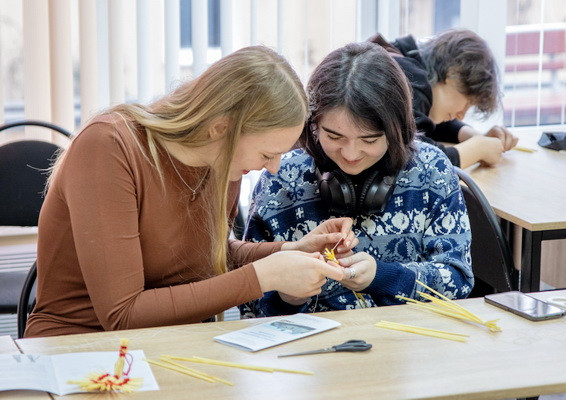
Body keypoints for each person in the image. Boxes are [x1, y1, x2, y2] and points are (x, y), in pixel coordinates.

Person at [25, 46, 359, 338]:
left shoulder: (222, 161)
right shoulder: (109, 147)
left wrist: (290, 250)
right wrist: (262, 277)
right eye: (266, 154)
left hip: (173, 344)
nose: (272, 168)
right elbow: (123, 315)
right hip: (77, 349)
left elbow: (203, 259)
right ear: (221, 128)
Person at [240, 42, 473, 318]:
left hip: (409, 350)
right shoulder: (281, 179)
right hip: (308, 353)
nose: (351, 154)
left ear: (397, 129)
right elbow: (249, 307)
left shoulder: (431, 170)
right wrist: (287, 298)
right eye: (334, 137)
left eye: (369, 139)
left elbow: (458, 281)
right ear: (312, 123)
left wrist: (383, 276)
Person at [369, 29, 519, 168]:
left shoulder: (401, 58)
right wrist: (478, 149)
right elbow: (418, 156)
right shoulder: (409, 78)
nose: (461, 115)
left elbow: (420, 123)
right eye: (467, 103)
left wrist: (473, 136)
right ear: (454, 73)